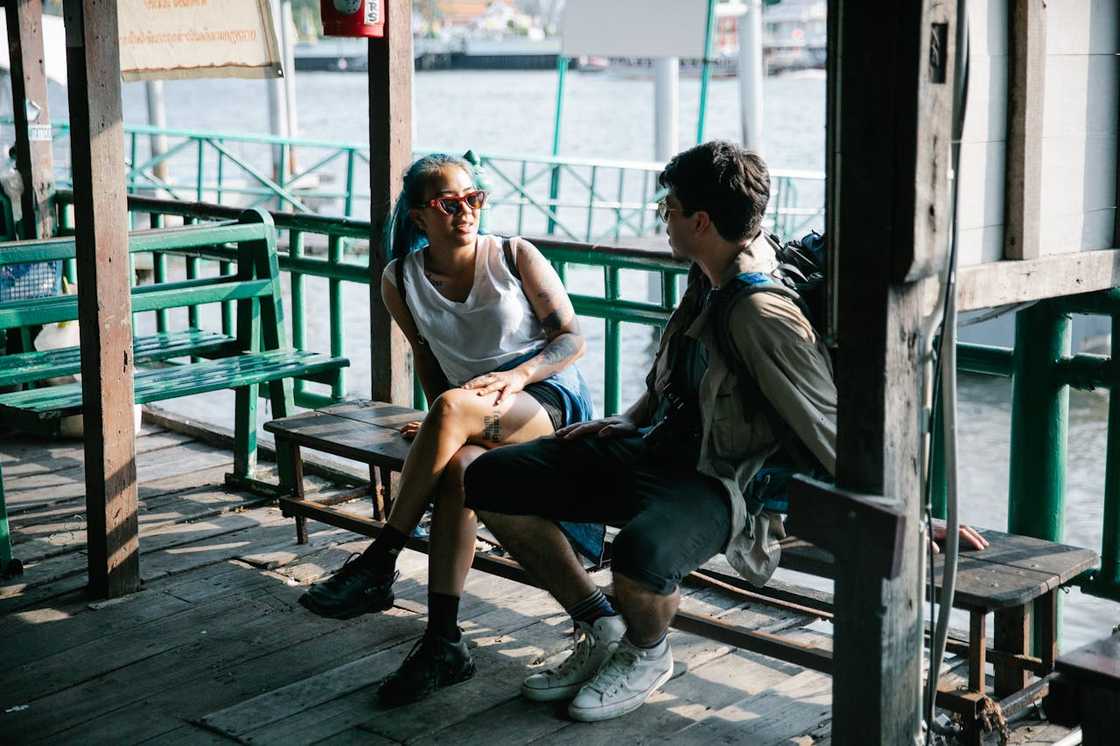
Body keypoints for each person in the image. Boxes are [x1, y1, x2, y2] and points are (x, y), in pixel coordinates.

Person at [463, 140, 987, 723]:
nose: (664, 219)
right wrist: (632, 417)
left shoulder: (759, 311)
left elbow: (827, 423)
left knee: (641, 553)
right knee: (489, 477)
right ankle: (601, 624)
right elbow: (682, 370)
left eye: (671, 208)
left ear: (701, 221)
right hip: (661, 448)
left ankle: (647, 651)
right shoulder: (706, 275)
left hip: (724, 482)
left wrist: (913, 516)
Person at [298, 152, 595, 706]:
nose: (465, 211)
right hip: (474, 413)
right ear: (419, 216)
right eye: (448, 203)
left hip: (546, 402)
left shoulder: (513, 255)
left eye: (473, 198)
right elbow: (428, 361)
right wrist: (447, 425)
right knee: (458, 471)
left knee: (455, 417)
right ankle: (443, 640)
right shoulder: (400, 280)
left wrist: (516, 376)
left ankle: (381, 559)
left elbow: (571, 340)